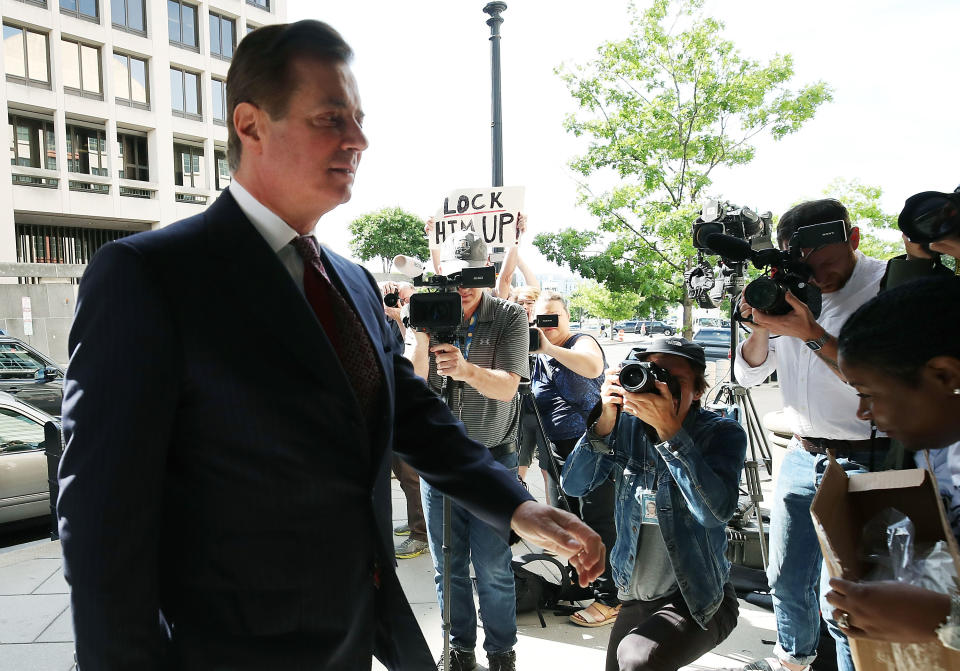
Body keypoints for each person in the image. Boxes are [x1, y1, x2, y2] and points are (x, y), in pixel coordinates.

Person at [56, 21, 604, 671]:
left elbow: (415, 415)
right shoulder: (149, 278)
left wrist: (516, 504)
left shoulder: (352, 282)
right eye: (330, 118)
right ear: (251, 125)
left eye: (360, 118)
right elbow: (100, 529)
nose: (358, 140)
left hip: (351, 638)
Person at [731, 199, 893, 671]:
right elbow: (749, 374)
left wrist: (809, 332)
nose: (819, 275)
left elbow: (877, 378)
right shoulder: (792, 287)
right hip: (802, 454)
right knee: (784, 578)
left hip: (868, 457)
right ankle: (793, 661)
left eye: (829, 263)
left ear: (855, 240)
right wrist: (762, 325)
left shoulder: (884, 286)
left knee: (845, 596)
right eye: (808, 265)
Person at [561, 337, 746, 671]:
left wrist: (671, 434)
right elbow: (574, 484)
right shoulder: (625, 426)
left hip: (698, 597)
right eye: (655, 374)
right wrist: (604, 421)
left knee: (637, 658)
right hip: (635, 595)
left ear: (700, 390)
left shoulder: (722, 433)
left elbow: (713, 513)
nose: (662, 386)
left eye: (675, 381)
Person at [405, 240, 529, 671]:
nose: (463, 288)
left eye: (472, 278)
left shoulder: (510, 316)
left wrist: (465, 369)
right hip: (439, 461)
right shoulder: (429, 309)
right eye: (455, 278)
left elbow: (508, 387)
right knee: (449, 565)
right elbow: (414, 386)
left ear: (488, 274)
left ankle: (501, 654)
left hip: (494, 457)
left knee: (494, 567)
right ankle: (458, 650)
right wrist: (421, 337)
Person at [824, 275, 960, 652]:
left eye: (868, 394)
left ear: (944, 375)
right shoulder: (931, 448)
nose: (862, 412)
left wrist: (947, 620)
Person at [529, 291, 620, 627]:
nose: (545, 325)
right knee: (571, 522)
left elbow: (593, 366)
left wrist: (549, 347)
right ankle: (587, 583)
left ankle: (612, 597)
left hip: (593, 448)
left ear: (567, 316)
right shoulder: (535, 350)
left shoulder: (581, 342)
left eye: (552, 317)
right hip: (558, 450)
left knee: (600, 522)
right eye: (539, 319)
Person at [378, 280, 429, 559]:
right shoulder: (387, 319)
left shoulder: (420, 322)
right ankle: (416, 524)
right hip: (390, 401)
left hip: (411, 404)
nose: (399, 302)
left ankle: (421, 534)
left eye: (406, 298)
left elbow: (415, 355)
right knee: (401, 472)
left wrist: (402, 318)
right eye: (395, 297)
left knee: (411, 474)